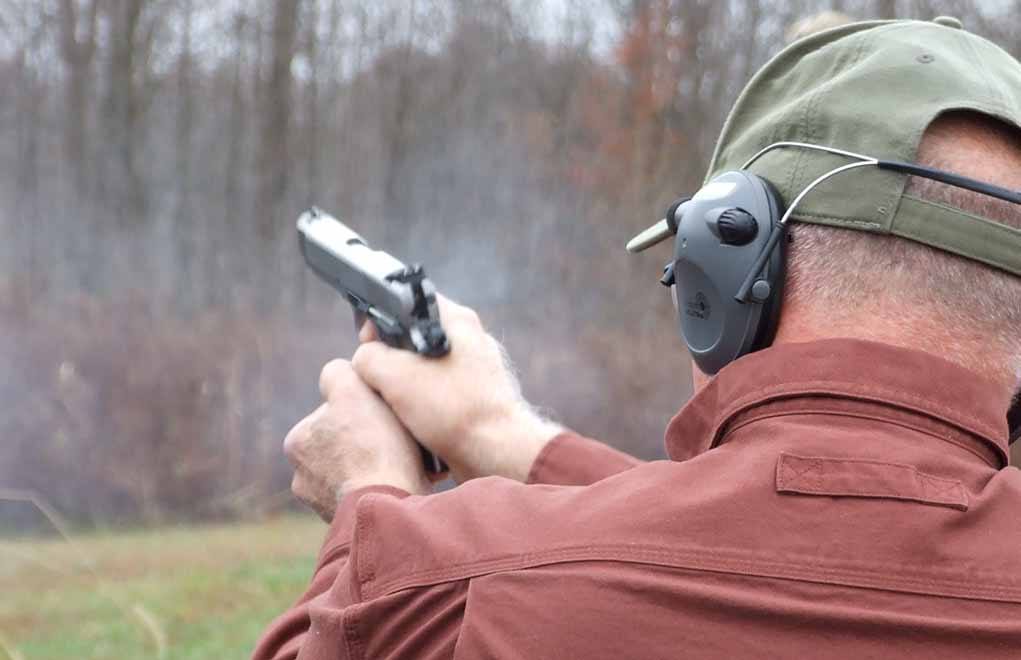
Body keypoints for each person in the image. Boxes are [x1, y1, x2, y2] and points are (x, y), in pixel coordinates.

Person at [254, 18, 1021, 660]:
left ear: (721, 276)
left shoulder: (464, 589)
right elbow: (805, 541)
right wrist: (499, 435)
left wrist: (368, 500)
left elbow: (712, 551)